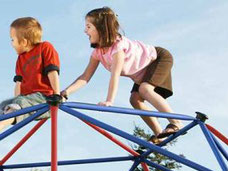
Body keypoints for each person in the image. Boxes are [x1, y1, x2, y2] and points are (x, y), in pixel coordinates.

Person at [61, 7, 182, 144]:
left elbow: (115, 74)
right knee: (135, 100)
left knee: (145, 90)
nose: (85, 31)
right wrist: (65, 93)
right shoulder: (98, 52)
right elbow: (85, 77)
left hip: (157, 58)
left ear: (100, 28)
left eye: (88, 27)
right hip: (143, 71)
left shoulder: (118, 47)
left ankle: (176, 122)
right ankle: (159, 135)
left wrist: (109, 100)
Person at [0, 17, 60, 137]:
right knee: (5, 103)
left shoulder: (45, 48)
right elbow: (19, 84)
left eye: (12, 40)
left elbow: (52, 72)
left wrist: (57, 95)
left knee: (19, 102)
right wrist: (15, 102)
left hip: (45, 99)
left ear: (24, 42)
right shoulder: (21, 58)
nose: (11, 44)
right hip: (26, 100)